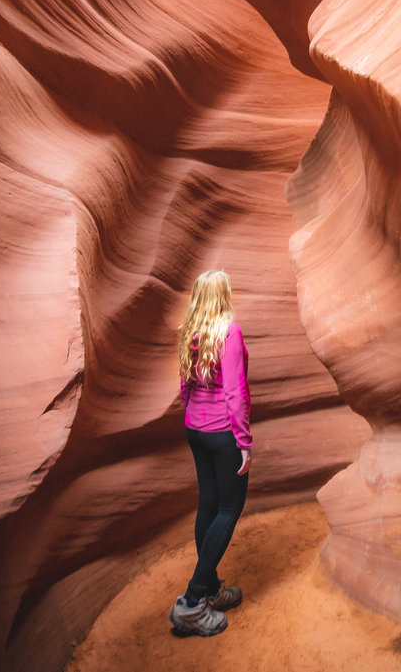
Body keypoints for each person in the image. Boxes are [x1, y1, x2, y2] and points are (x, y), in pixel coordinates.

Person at [169, 270, 252, 637]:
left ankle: (212, 588)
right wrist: (244, 442)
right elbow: (235, 393)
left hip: (196, 430)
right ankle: (192, 601)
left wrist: (193, 416)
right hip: (222, 433)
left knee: (209, 505)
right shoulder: (228, 331)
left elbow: (185, 385)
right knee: (229, 509)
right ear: (224, 295)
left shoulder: (190, 333)